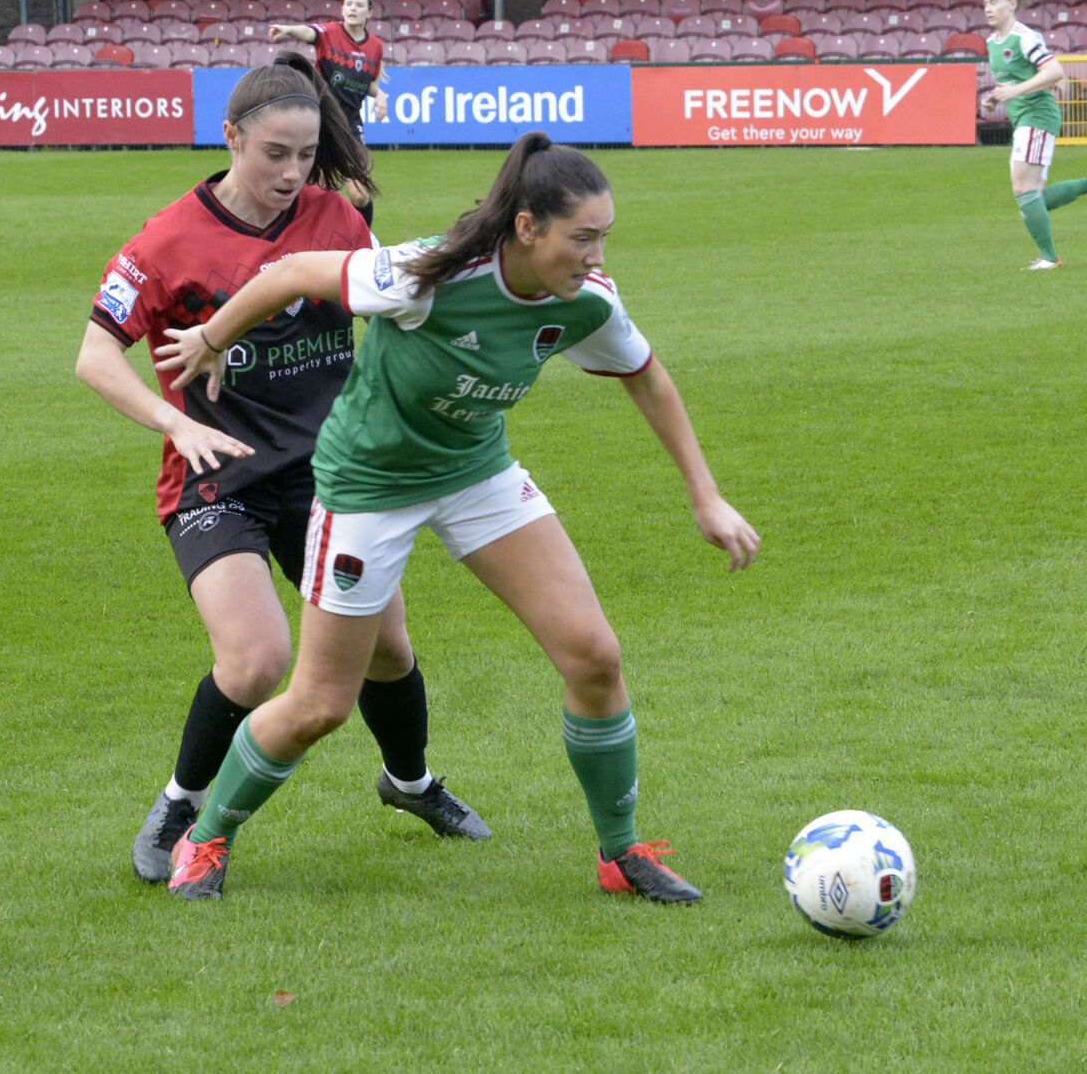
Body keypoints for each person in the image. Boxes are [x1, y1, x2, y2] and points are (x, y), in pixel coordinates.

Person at [153, 131, 761, 903]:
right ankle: (204, 840)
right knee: (319, 706)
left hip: (476, 475)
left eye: (604, 237)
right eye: (583, 237)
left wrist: (705, 495)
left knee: (594, 656)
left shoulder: (587, 302)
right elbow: (298, 271)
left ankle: (621, 851)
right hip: (367, 485)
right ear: (527, 227)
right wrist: (211, 337)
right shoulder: (426, 274)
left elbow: (647, 377)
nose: (597, 255)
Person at [75, 49, 489, 886]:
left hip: (335, 477)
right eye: (275, 155)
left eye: (305, 156)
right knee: (258, 661)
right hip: (216, 477)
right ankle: (181, 806)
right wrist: (174, 424)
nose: (293, 173)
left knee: (387, 651)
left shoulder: (337, 218)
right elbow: (94, 355)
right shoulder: (166, 242)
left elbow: (396, 314)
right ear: (230, 137)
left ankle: (409, 783)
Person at [982, 0, 1087, 270]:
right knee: (1034, 196)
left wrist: (1016, 91)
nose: (988, 9)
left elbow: (1055, 71)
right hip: (1024, 118)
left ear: (1012, 4)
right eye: (985, 4)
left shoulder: (1024, 37)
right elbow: (1011, 81)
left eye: (994, 2)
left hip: (1038, 115)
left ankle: (1049, 258)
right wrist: (993, 98)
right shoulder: (992, 42)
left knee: (1022, 187)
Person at [269, 0, 386, 228]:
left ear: (369, 13)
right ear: (342, 9)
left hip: (350, 126)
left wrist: (381, 95)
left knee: (360, 195)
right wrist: (289, 30)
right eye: (348, 4)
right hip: (319, 120)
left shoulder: (375, 46)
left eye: (358, 5)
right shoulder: (329, 33)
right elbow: (308, 32)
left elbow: (367, 83)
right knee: (309, 188)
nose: (352, 8)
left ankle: (363, 243)